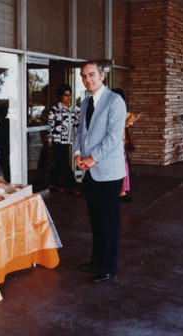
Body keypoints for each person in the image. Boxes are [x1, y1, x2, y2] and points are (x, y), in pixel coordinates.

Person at [74, 62, 127, 283]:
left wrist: (92, 158)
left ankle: (108, 268)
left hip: (107, 172)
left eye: (92, 75)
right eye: (84, 76)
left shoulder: (115, 101)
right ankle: (97, 259)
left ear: (102, 77)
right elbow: (80, 133)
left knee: (108, 221)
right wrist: (77, 154)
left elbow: (114, 138)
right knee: (96, 220)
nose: (88, 80)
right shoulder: (85, 102)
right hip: (89, 172)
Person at [47, 84, 79, 195]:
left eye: (70, 95)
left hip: (67, 141)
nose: (68, 98)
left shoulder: (72, 110)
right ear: (61, 96)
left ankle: (52, 183)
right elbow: (50, 126)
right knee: (64, 163)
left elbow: (76, 123)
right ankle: (73, 185)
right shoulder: (55, 110)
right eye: (66, 95)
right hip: (57, 141)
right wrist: (49, 140)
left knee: (58, 163)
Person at [112, 88, 142, 202]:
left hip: (120, 143)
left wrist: (133, 119)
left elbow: (127, 122)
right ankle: (119, 192)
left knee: (124, 167)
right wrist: (128, 120)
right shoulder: (110, 111)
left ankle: (122, 191)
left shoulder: (120, 110)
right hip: (114, 144)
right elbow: (116, 128)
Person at [0, 105, 10, 182]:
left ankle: (7, 178)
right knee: (5, 162)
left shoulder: (1, 123)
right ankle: (7, 177)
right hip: (8, 146)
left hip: (3, 146)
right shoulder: (8, 122)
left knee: (3, 162)